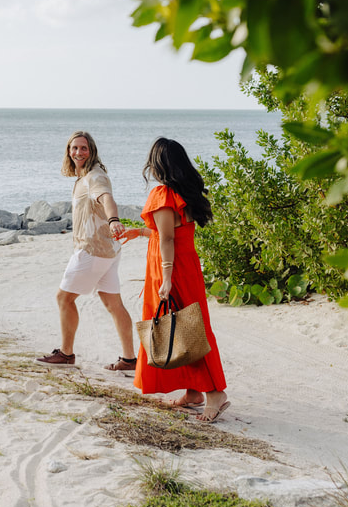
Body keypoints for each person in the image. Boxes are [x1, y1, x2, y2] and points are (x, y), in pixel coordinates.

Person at [122, 137, 229, 422]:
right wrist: (140, 232)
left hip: (172, 271)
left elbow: (168, 238)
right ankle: (194, 392)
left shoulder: (163, 194)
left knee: (191, 330)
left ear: (158, 164)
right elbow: (168, 234)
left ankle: (215, 393)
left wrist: (166, 278)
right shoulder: (183, 193)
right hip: (185, 266)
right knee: (187, 328)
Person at [36, 131, 137, 371]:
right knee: (113, 304)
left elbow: (106, 198)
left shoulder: (95, 176)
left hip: (92, 249)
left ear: (91, 150)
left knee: (64, 298)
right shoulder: (83, 178)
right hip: (109, 250)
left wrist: (114, 220)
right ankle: (130, 360)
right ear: (68, 151)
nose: (78, 152)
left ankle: (66, 354)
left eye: (83, 148)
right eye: (74, 148)